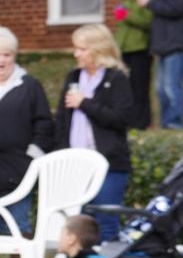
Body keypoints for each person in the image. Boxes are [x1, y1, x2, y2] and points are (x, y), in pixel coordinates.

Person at [0, 25, 54, 236]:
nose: (2, 60)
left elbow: (44, 123)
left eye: (7, 55)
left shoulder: (29, 86)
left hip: (17, 169)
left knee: (19, 232)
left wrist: (32, 156)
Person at [55, 24, 133, 241]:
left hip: (109, 165)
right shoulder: (73, 76)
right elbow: (61, 121)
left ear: (98, 49)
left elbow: (122, 118)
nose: (76, 54)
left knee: (106, 222)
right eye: (76, 48)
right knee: (77, 223)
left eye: (82, 49)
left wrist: (85, 103)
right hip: (76, 164)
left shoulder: (116, 78)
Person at [136, 0, 183, 129]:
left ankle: (175, 125)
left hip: (175, 45)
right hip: (166, 46)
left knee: (172, 88)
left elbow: (175, 8)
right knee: (161, 90)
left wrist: (149, 3)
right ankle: (167, 125)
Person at [112, 0, 153, 129]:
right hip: (124, 50)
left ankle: (142, 122)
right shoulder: (126, 1)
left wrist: (127, 15)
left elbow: (147, 22)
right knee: (126, 87)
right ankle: (130, 121)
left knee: (140, 87)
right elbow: (122, 26)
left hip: (140, 50)